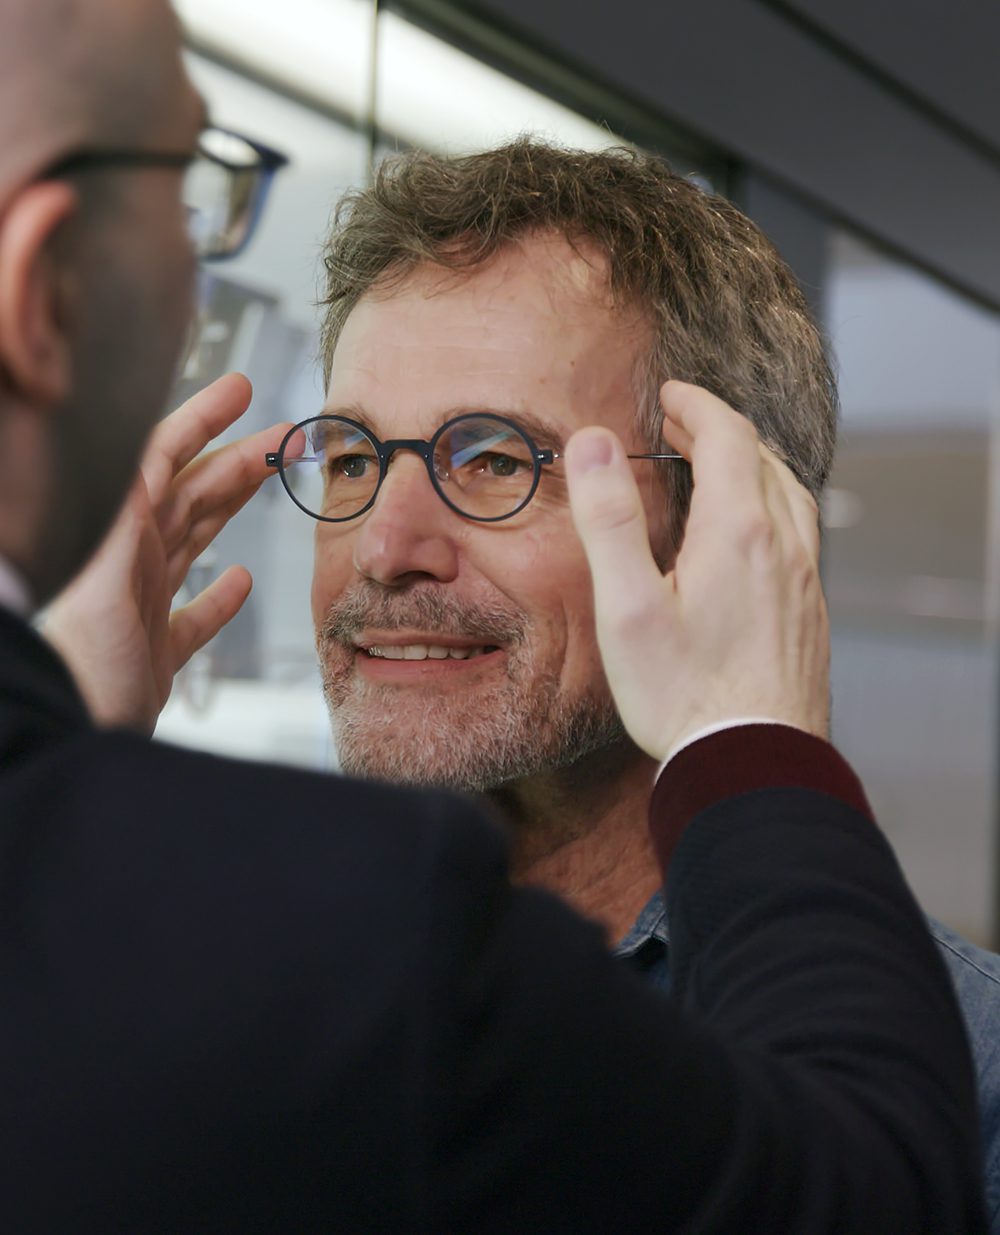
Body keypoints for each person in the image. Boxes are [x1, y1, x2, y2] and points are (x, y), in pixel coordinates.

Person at [17, 2, 986, 1229]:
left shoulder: (965, 1067)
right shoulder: (200, 965)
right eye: (356, 453)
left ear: (722, 526)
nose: (384, 546)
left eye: (492, 459)